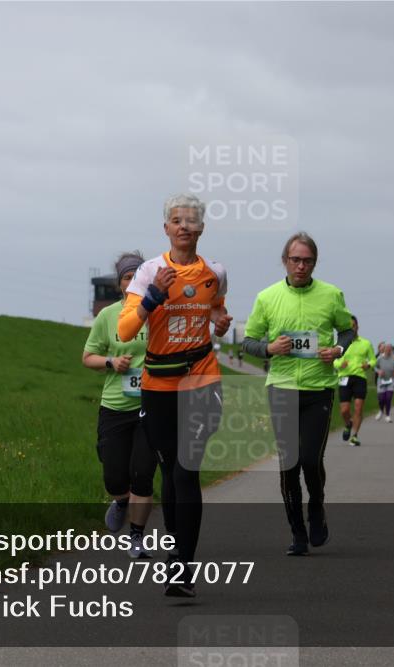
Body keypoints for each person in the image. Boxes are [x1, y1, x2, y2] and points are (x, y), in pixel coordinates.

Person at [117, 193, 232, 597]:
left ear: (202, 228)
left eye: (191, 221)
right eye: (176, 221)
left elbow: (216, 306)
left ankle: (182, 567)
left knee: (186, 470)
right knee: (170, 471)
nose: (184, 226)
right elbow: (126, 331)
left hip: (201, 379)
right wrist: (153, 297)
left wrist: (219, 322)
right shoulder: (150, 272)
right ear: (166, 228)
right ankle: (176, 541)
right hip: (158, 385)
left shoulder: (214, 272)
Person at [242, 232, 354, 556]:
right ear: (285, 261)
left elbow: (347, 330)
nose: (301, 266)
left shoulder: (332, 295)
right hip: (282, 387)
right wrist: (269, 347)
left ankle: (316, 506)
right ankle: (297, 533)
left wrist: (337, 349)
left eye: (307, 260)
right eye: (295, 260)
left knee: (309, 459)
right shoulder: (267, 297)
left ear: (314, 262)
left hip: (318, 389)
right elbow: (248, 342)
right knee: (289, 464)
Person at [82, 252, 156, 559]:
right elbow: (88, 357)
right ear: (120, 284)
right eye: (127, 277)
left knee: (142, 473)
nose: (133, 281)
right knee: (114, 476)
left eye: (138, 276)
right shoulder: (108, 316)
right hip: (115, 405)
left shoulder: (159, 312)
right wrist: (112, 361)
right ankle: (121, 501)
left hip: (152, 405)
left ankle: (137, 537)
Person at [333, 316, 375, 446]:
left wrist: (368, 365)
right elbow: (334, 360)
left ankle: (355, 436)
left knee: (358, 407)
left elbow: (373, 359)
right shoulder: (339, 343)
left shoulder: (366, 343)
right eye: (349, 326)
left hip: (359, 377)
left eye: (354, 326)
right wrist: (340, 364)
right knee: (344, 410)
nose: (352, 328)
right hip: (344, 377)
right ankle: (348, 424)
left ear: (357, 327)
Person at [374, 343, 394, 423]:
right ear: (384, 350)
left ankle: (388, 415)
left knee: (388, 397)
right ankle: (381, 411)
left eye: (390, 349)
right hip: (381, 380)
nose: (388, 351)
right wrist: (378, 371)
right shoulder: (380, 358)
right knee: (381, 398)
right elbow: (375, 367)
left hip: (391, 380)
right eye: (387, 349)